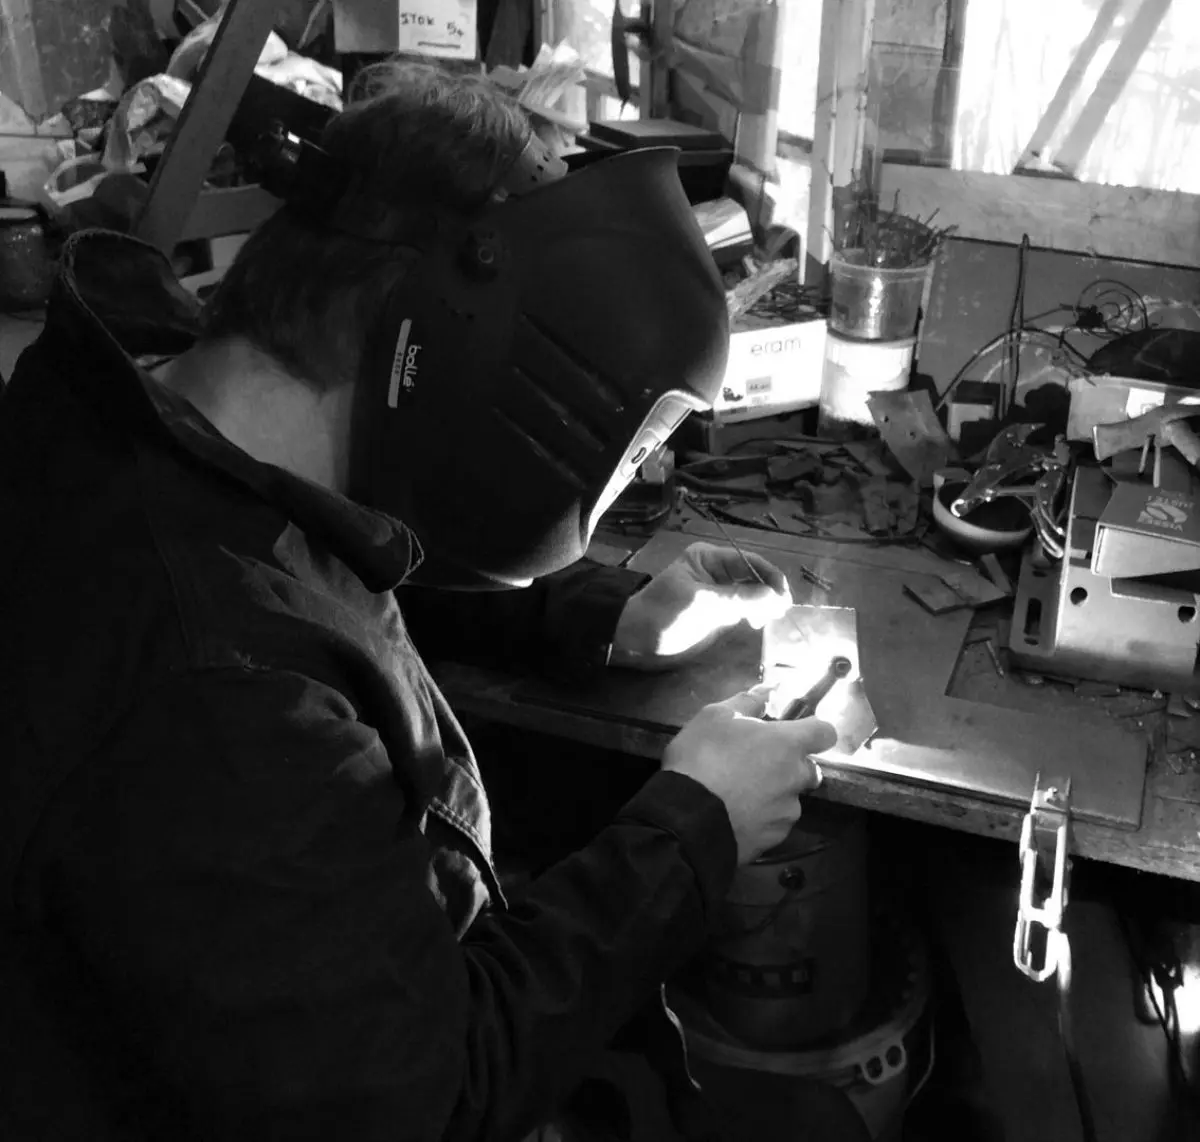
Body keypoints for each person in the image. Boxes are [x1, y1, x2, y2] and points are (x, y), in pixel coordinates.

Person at [0, 63, 841, 1141]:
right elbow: (429, 1102)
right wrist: (694, 828)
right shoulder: (215, 702)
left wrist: (602, 616)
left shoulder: (147, 409)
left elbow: (308, 573)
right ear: (436, 342)